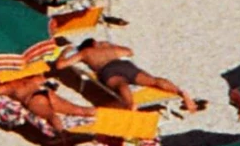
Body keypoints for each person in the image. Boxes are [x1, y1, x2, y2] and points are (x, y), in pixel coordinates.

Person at [59, 39, 205, 112]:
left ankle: (130, 104)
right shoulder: (110, 49)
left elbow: (60, 65)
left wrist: (64, 52)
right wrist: (110, 45)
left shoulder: (85, 53)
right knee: (152, 80)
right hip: (125, 65)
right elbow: (129, 52)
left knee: (120, 84)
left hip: (108, 70)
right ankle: (180, 92)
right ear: (96, 43)